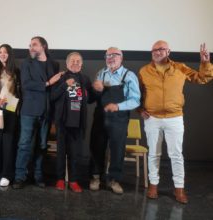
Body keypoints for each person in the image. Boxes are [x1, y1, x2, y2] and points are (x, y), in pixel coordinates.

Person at [139, 41, 213, 204]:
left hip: (175, 117)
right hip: (152, 118)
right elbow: (138, 92)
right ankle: (153, 185)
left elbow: (202, 78)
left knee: (176, 154)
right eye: (154, 50)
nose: (157, 52)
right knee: (154, 153)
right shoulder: (144, 71)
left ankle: (179, 188)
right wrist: (139, 109)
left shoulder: (180, 67)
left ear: (168, 51)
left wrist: (205, 63)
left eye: (161, 49)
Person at [89, 47, 141, 194]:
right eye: (108, 55)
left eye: (114, 55)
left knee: (118, 150)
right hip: (100, 118)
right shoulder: (101, 73)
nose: (111, 57)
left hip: (118, 119)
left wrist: (118, 106)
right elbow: (94, 97)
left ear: (121, 57)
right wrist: (96, 89)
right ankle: (95, 177)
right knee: (96, 148)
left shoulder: (129, 75)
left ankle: (114, 180)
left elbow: (136, 100)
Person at [12, 36, 62, 189]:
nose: (31, 47)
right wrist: (48, 83)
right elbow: (26, 85)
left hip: (46, 112)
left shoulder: (54, 64)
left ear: (44, 47)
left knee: (42, 145)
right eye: (30, 45)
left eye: (34, 45)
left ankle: (38, 176)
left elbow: (55, 90)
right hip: (29, 111)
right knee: (24, 144)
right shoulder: (26, 63)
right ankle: (20, 177)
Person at [51, 52, 93, 192]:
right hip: (62, 121)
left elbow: (91, 98)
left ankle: (74, 180)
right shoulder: (60, 77)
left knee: (75, 153)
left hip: (78, 122)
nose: (75, 63)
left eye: (78, 61)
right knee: (61, 152)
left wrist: (97, 91)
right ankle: (60, 179)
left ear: (81, 64)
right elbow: (52, 97)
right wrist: (64, 85)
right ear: (67, 63)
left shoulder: (85, 79)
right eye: (72, 61)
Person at [0, 44, 21, 187]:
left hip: (11, 110)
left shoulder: (16, 71)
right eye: (0, 52)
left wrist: (12, 105)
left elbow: (20, 93)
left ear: (10, 54)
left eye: (5, 52)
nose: (2, 54)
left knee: (8, 143)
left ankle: (7, 174)